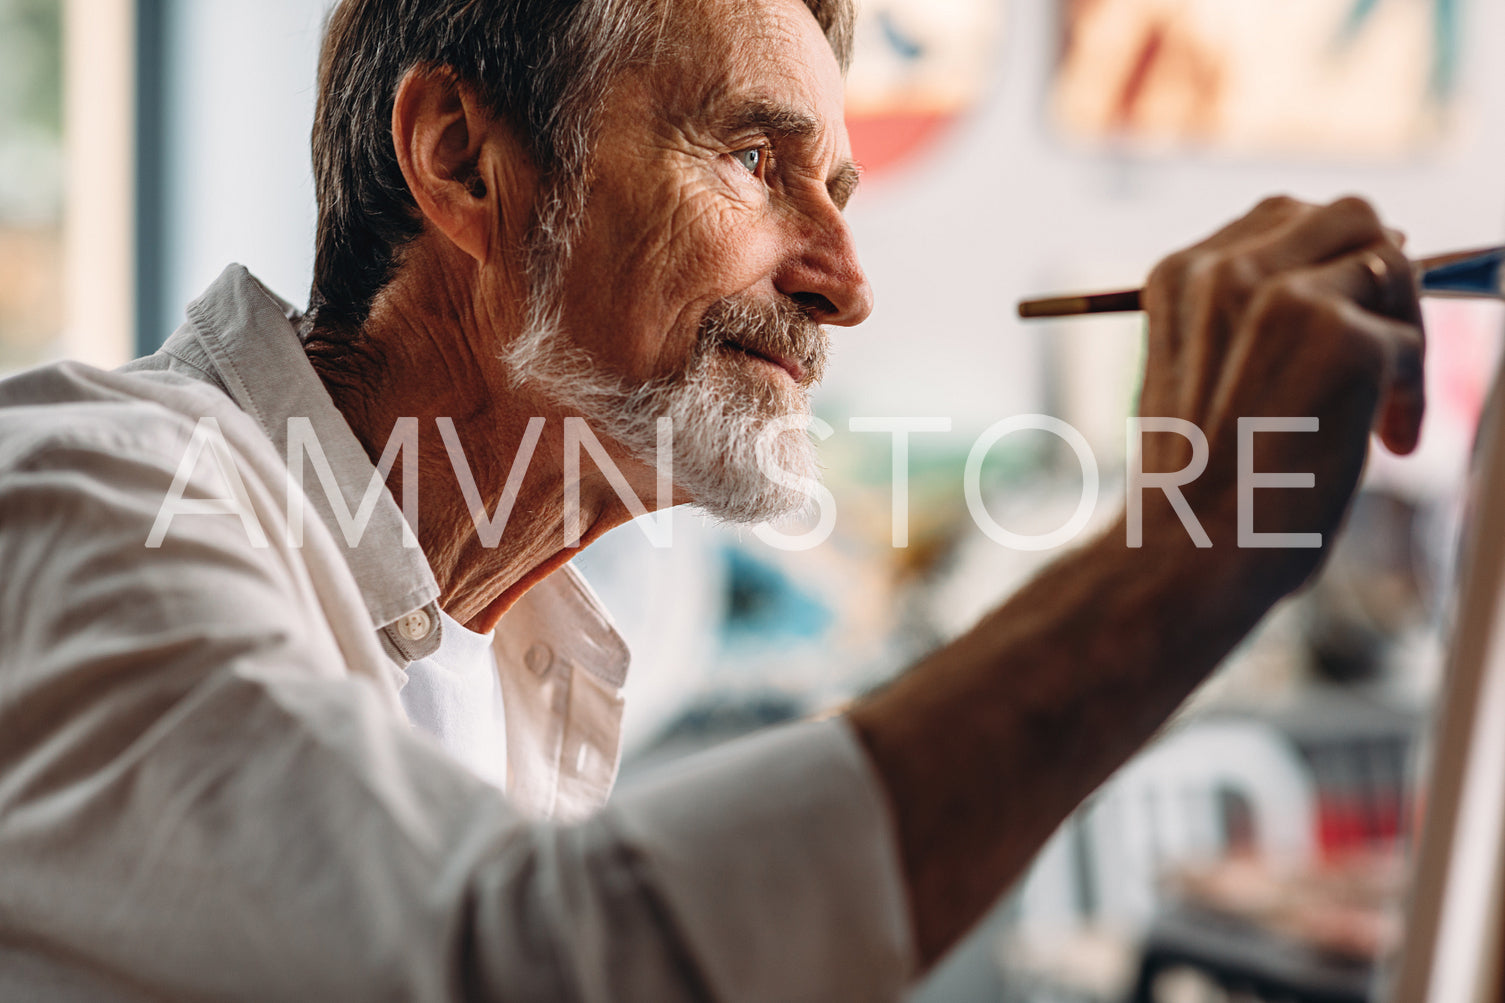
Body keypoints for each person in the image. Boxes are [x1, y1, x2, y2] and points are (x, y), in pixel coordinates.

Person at [0, 0, 1425, 999]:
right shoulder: (92, 496)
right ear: (460, 158)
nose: (841, 279)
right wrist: (1184, 550)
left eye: (839, 188)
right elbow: (528, 969)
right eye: (755, 159)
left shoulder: (518, 646)